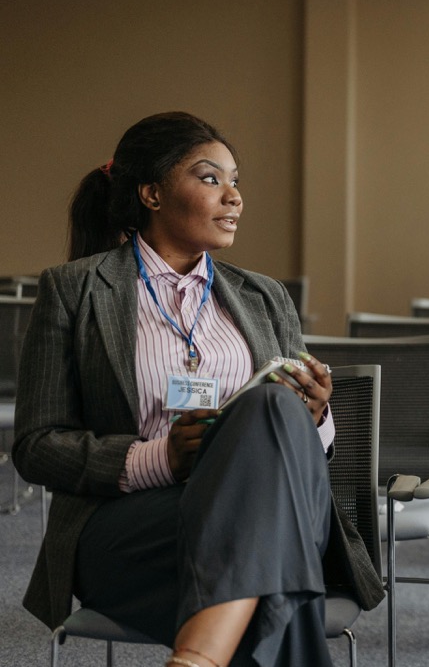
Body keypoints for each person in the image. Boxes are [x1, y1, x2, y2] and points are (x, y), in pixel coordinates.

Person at [14, 112, 383, 667]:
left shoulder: (263, 296)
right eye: (212, 178)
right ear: (152, 193)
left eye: (236, 181)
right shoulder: (75, 289)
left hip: (263, 509)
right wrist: (160, 457)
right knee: (275, 584)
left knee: (272, 405)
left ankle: (197, 656)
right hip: (136, 521)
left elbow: (308, 445)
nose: (234, 197)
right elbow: (36, 445)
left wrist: (315, 414)